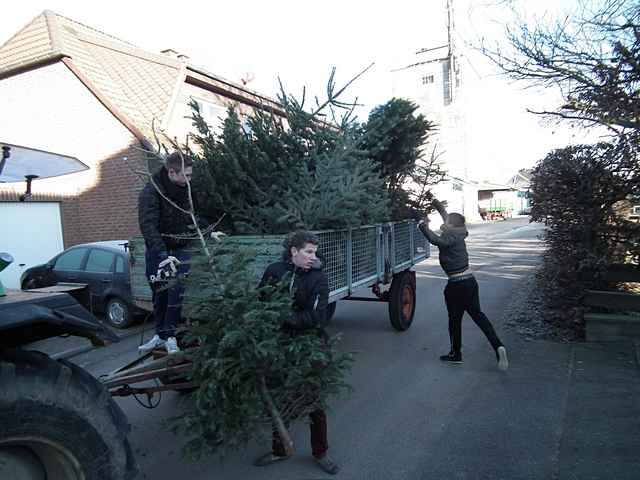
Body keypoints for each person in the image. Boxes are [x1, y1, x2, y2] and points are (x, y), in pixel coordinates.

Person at [253, 230, 339, 475]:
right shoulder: (275, 270)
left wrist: (283, 317)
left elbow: (315, 316)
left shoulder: (318, 278)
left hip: (310, 345)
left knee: (314, 401)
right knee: (279, 397)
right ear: (293, 252)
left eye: (315, 252)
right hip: (279, 345)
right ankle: (280, 449)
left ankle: (320, 452)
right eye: (308, 251)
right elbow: (261, 301)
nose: (313, 256)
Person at [418, 199, 509, 371]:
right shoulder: (460, 231)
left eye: (447, 221)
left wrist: (422, 225)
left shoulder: (448, 237)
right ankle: (498, 347)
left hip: (456, 285)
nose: (445, 221)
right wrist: (435, 203)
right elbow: (446, 216)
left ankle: (456, 353)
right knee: (479, 316)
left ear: (451, 224)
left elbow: (435, 240)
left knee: (454, 319)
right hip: (470, 281)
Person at [137, 151, 193, 355]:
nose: (189, 179)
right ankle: (159, 335)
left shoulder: (184, 188)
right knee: (159, 291)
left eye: (190, 175)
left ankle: (169, 336)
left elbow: (190, 216)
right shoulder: (151, 192)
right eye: (186, 175)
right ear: (171, 172)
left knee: (176, 289)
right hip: (158, 250)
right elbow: (148, 225)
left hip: (180, 248)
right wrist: (162, 255)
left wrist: (209, 230)